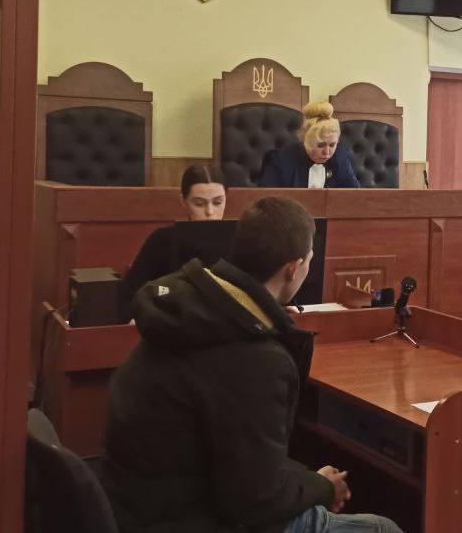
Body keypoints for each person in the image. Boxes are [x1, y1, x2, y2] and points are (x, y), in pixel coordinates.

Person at [101, 197, 403, 533]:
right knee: (383, 528)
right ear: (294, 269)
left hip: (136, 504)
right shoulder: (255, 357)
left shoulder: (190, 311)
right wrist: (322, 487)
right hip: (190, 517)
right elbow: (257, 500)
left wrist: (309, 481)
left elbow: (239, 451)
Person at [116, 164, 228, 322]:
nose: (210, 212)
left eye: (218, 202)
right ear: (184, 201)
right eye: (199, 203)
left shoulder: (241, 240)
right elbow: (129, 296)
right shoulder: (162, 240)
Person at [258, 102, 359, 189]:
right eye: (320, 145)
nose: (327, 152)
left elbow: (355, 196)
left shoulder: (341, 158)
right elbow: (268, 200)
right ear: (305, 141)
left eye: (332, 145)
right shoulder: (280, 160)